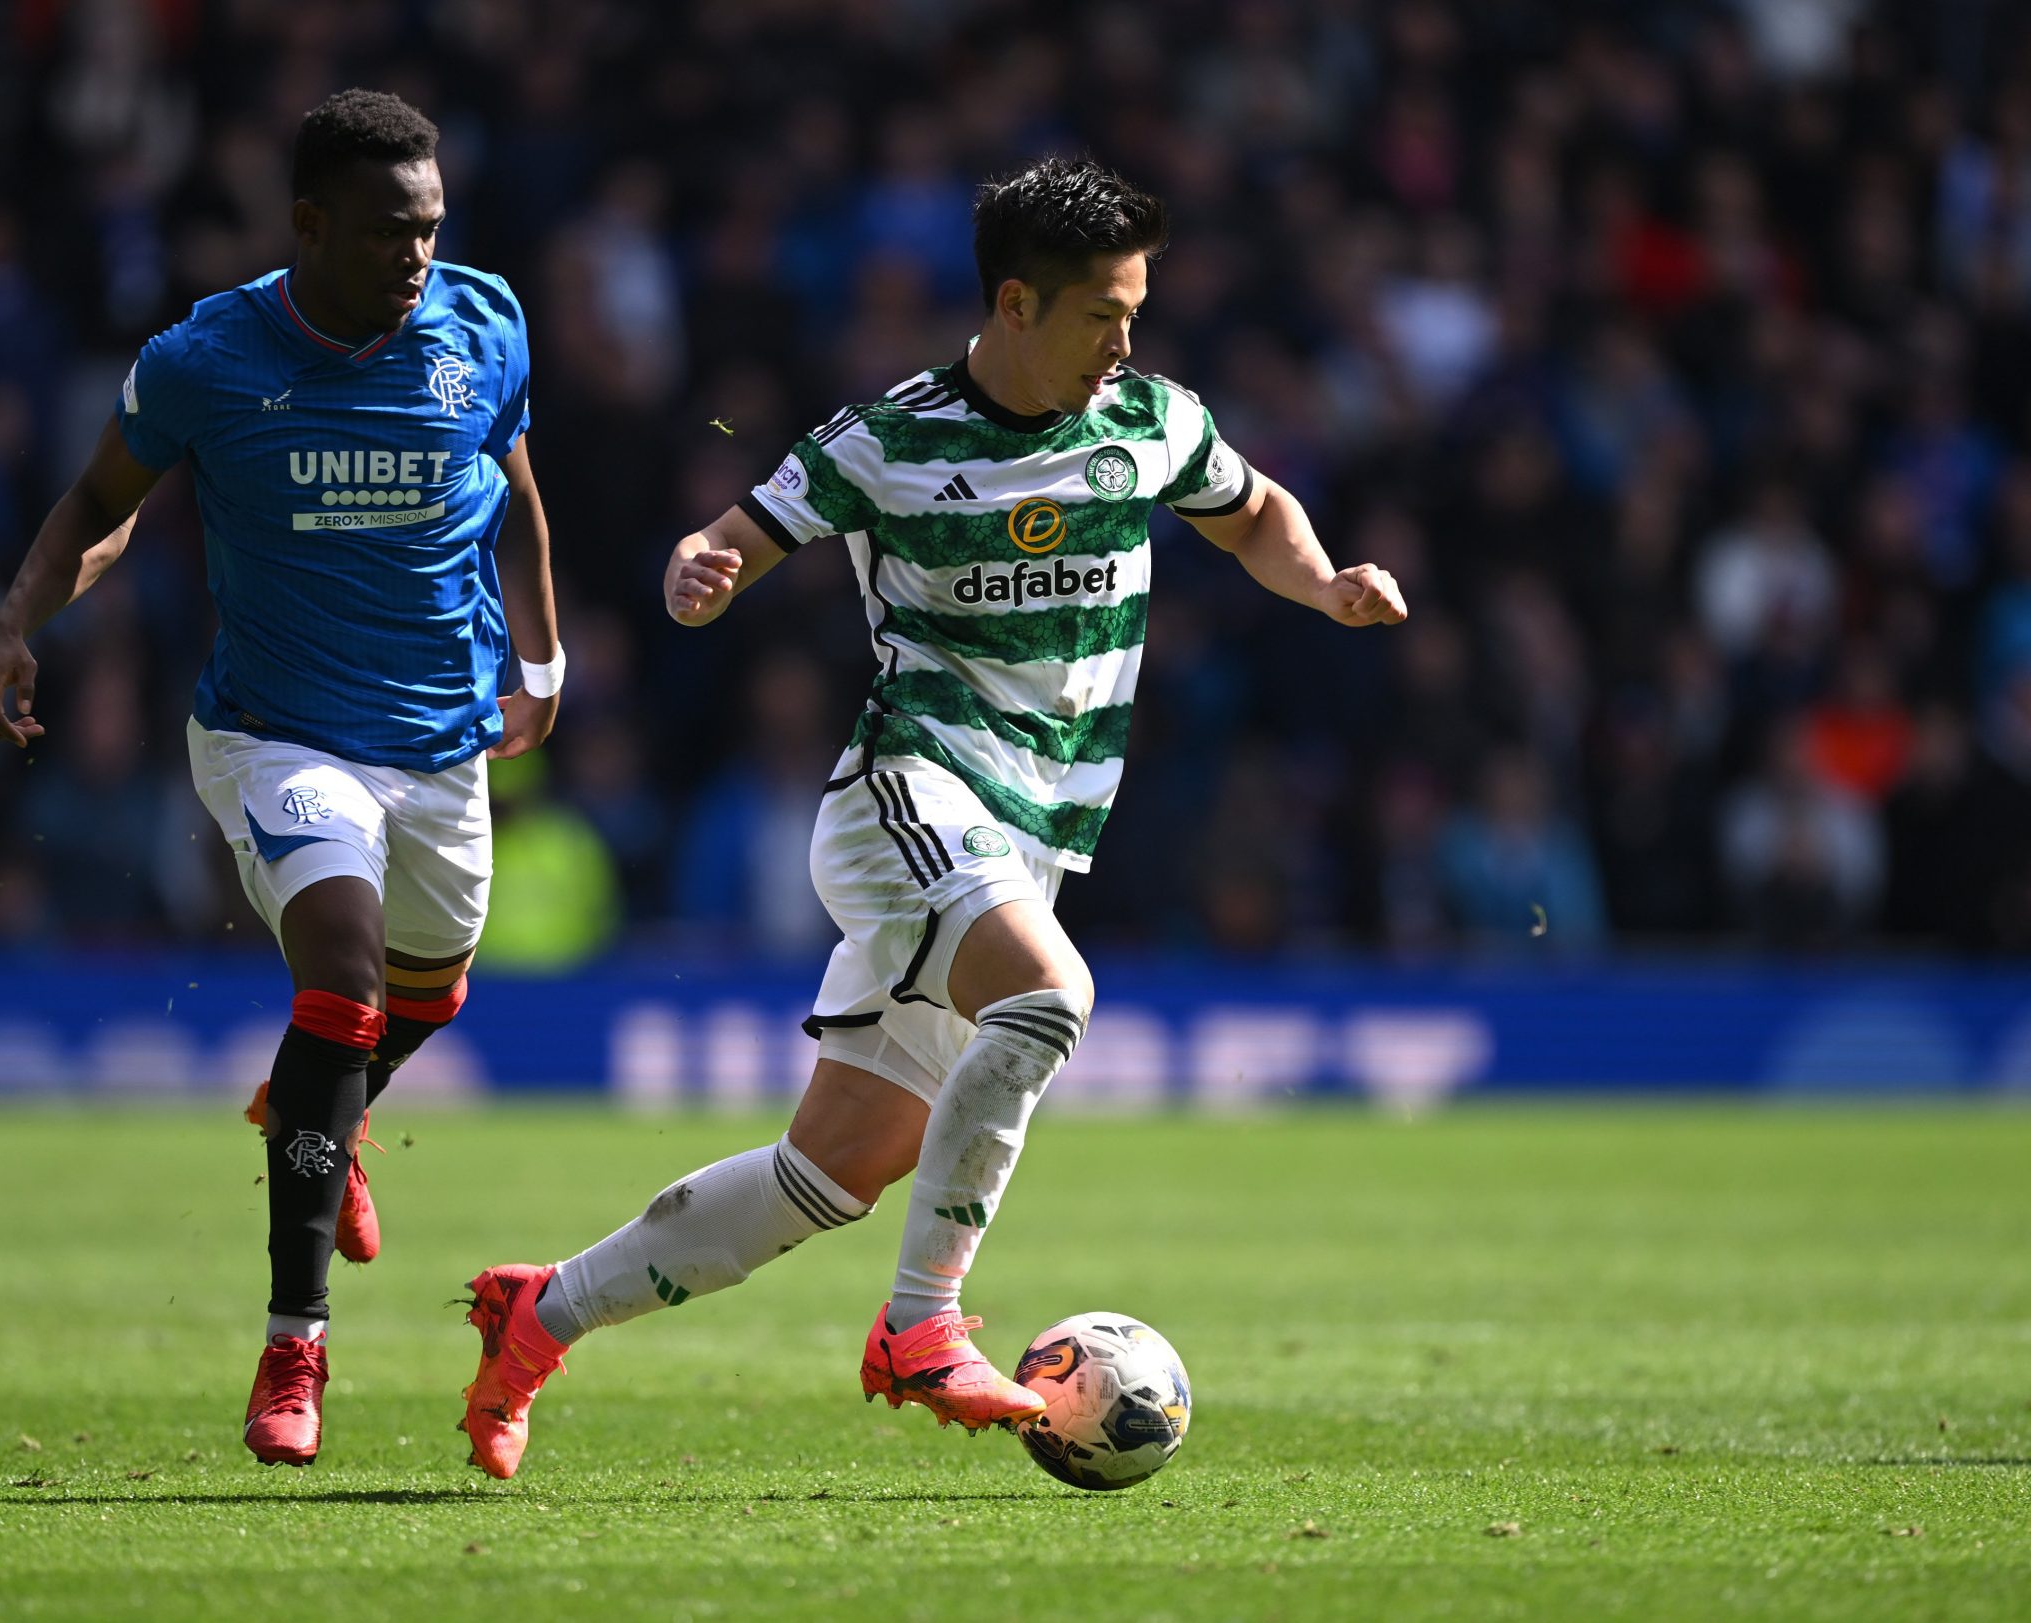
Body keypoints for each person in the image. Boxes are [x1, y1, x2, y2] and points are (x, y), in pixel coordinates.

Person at [456, 157, 1404, 1479]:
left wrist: (1327, 584)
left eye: (1137, 312)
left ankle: (536, 1314)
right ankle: (923, 1324)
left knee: (830, 1176)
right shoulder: (887, 441)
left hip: (1027, 840)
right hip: (909, 791)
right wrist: (700, 573)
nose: (1124, 343)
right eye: (1101, 316)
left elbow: (1252, 517)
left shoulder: (1151, 420)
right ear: (1015, 304)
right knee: (1050, 1001)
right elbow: (727, 539)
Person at [0, 90, 562, 1468]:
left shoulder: (483, 321)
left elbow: (516, 491)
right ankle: (298, 1342)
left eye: (430, 227)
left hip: (441, 737)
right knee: (343, 976)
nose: (417, 254)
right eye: (386, 231)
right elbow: (96, 509)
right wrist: (13, 624)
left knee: (428, 989)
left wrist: (545, 657)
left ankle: (317, 1112)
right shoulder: (210, 358)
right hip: (276, 735)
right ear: (305, 224)